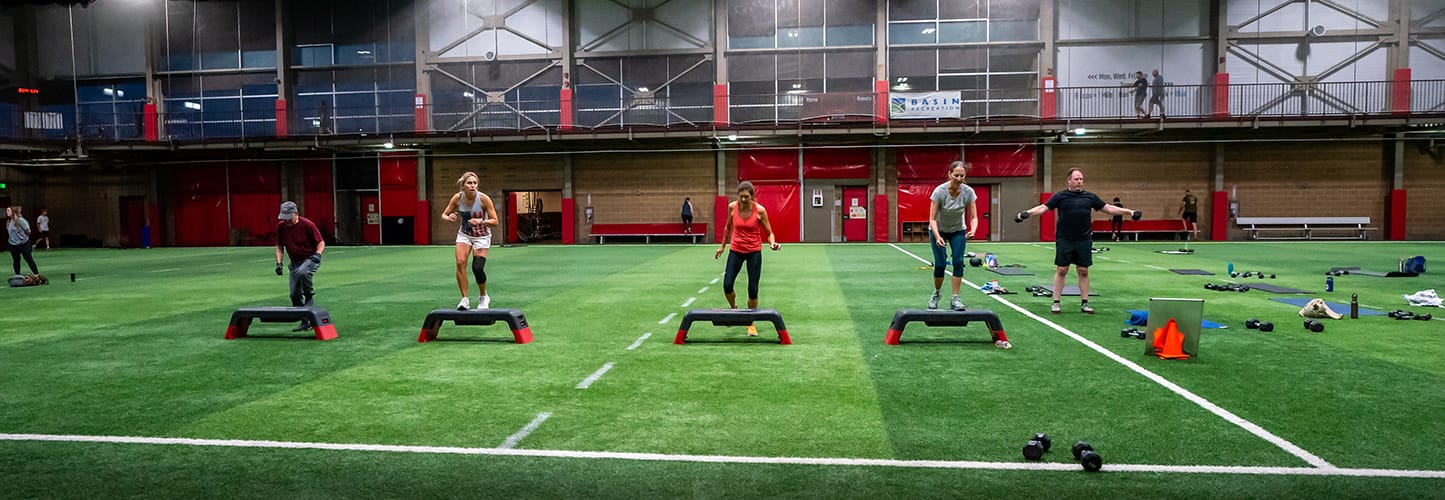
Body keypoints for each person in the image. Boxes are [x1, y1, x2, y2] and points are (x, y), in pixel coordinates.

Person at [1015, 168, 1139, 315]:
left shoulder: (1090, 197)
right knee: (1062, 270)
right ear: (1069, 181)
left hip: (1084, 239)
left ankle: (1085, 303)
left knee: (1083, 270)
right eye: (1076, 179)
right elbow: (1043, 208)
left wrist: (1130, 212)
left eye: (1081, 179)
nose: (1079, 182)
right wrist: (1026, 214)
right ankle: (1056, 302)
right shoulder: (1060, 196)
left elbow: (1109, 209)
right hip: (1065, 238)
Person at [927, 161, 1011, 349]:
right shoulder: (939, 192)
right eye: (955, 175)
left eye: (962, 176)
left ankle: (955, 298)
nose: (958, 179)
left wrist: (973, 230)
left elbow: (974, 216)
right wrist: (938, 236)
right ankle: (937, 294)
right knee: (940, 264)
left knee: (958, 262)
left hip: (958, 230)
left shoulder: (968, 192)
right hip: (938, 229)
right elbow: (932, 218)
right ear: (949, 174)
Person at [715, 181, 780, 337]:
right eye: (741, 196)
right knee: (727, 284)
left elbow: (769, 232)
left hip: (753, 252)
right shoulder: (732, 207)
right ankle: (734, 310)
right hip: (736, 250)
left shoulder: (760, 211)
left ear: (752, 196)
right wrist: (722, 247)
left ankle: (750, 323)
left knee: (753, 289)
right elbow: (728, 227)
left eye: (746, 197)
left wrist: (772, 243)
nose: (743, 200)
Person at [442, 171, 498, 311]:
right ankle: (464, 299)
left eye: (475, 183)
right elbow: (444, 214)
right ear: (463, 185)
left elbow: (495, 221)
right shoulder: (457, 198)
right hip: (465, 235)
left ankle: (483, 296)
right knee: (460, 263)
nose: (473, 186)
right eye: (469, 183)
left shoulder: (484, 199)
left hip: (482, 236)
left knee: (477, 268)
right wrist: (448, 218)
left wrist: (482, 221)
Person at [274, 201, 325, 331]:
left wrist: (318, 254)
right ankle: (305, 321)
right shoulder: (281, 227)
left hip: (310, 259)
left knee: (303, 272)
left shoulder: (307, 225)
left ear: (296, 213)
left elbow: (321, 242)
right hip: (294, 264)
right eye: (284, 218)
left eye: (288, 217)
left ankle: (309, 295)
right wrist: (279, 263)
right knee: (293, 294)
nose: (286, 221)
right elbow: (279, 247)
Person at [7, 205, 40, 276]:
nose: (7, 212)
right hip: (13, 245)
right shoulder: (9, 221)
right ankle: (17, 275)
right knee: (16, 260)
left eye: (8, 210)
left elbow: (28, 231)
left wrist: (22, 237)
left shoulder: (20, 220)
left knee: (29, 259)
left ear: (13, 212)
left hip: (23, 244)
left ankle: (36, 274)